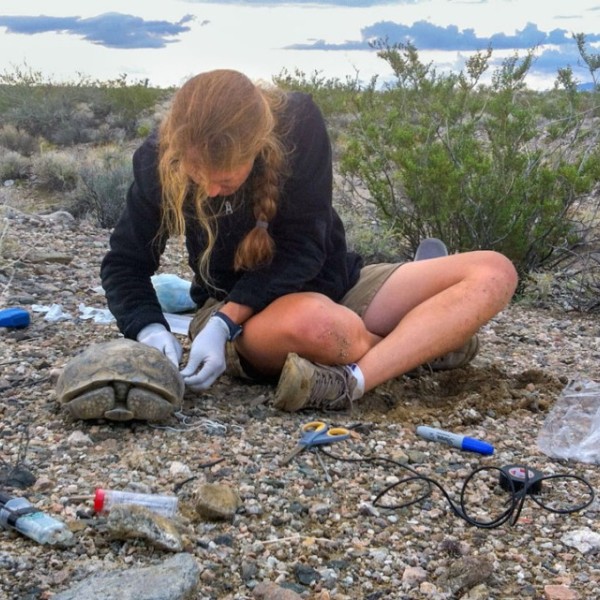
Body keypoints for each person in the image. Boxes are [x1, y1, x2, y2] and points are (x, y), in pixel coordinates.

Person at [98, 69, 518, 420]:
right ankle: (425, 342)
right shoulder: (156, 159)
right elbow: (124, 263)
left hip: (331, 280)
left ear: (259, 145)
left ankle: (353, 380)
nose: (209, 190)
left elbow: (305, 247)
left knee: (494, 271)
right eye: (197, 175)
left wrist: (226, 321)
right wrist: (150, 329)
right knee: (324, 328)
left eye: (225, 180)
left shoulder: (298, 122)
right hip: (244, 310)